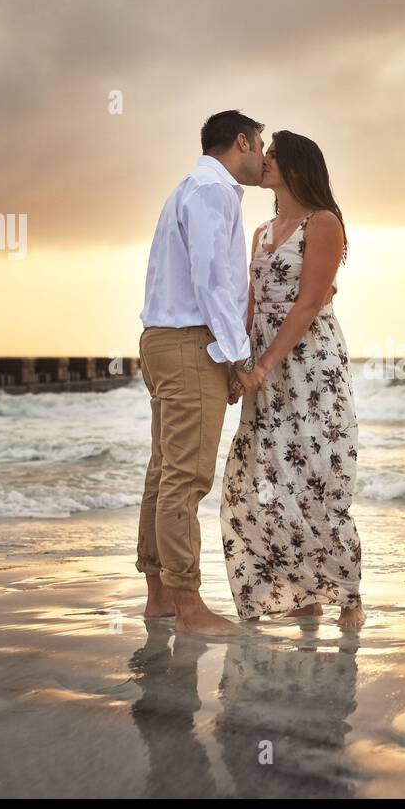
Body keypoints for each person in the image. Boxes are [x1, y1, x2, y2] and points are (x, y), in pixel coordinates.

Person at [221, 130, 365, 628]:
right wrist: (240, 364)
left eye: (273, 156)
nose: (263, 162)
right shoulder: (261, 231)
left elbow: (307, 304)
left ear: (296, 166)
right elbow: (252, 306)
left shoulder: (323, 223)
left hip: (310, 364)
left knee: (318, 472)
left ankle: (348, 595)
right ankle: (300, 594)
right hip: (265, 365)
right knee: (262, 478)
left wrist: (264, 365)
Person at [135, 110, 264, 634]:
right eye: (260, 146)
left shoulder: (186, 189)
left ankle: (160, 596)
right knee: (185, 478)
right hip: (192, 343)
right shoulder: (211, 192)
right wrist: (238, 359)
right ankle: (188, 606)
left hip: (163, 340)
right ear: (241, 141)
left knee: (164, 471)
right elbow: (212, 282)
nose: (263, 157)